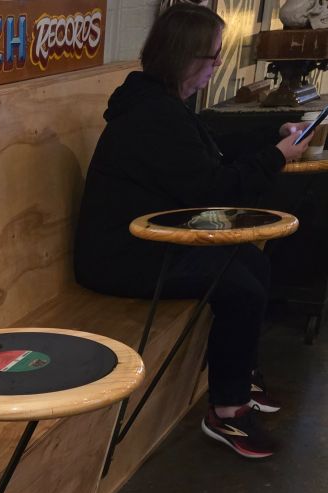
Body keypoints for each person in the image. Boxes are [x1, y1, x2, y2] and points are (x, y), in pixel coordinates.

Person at [74, 3, 312, 459]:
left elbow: (208, 146)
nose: (218, 65)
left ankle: (238, 379)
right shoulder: (153, 115)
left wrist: (273, 134)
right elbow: (212, 187)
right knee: (239, 285)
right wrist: (279, 156)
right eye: (212, 57)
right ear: (182, 57)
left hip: (148, 243)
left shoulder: (157, 102)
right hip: (120, 260)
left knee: (252, 260)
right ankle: (227, 413)